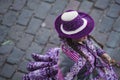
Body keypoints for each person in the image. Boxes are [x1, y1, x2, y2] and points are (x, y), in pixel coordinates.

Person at [23, 10, 119, 80]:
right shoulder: (69, 60)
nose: (86, 36)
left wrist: (101, 53)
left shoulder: (83, 38)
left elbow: (91, 43)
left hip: (96, 68)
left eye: (85, 32)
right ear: (70, 37)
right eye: (81, 34)